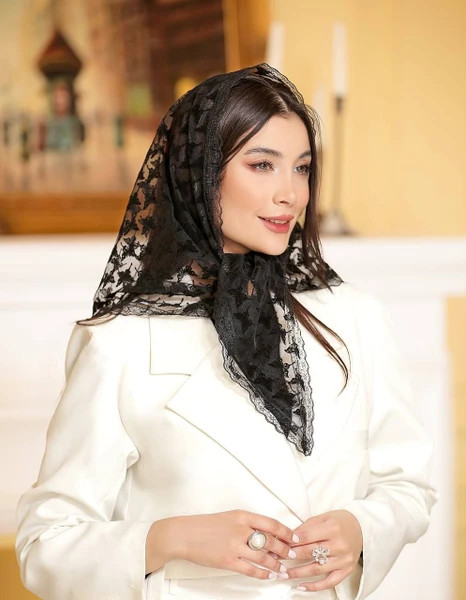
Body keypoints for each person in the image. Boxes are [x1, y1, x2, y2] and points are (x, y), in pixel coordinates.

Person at [15, 63, 437, 600]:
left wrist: (362, 530)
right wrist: (171, 538)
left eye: (302, 168)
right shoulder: (120, 342)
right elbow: (45, 545)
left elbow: (407, 483)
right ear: (200, 173)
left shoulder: (354, 317)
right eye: (262, 165)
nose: (291, 194)